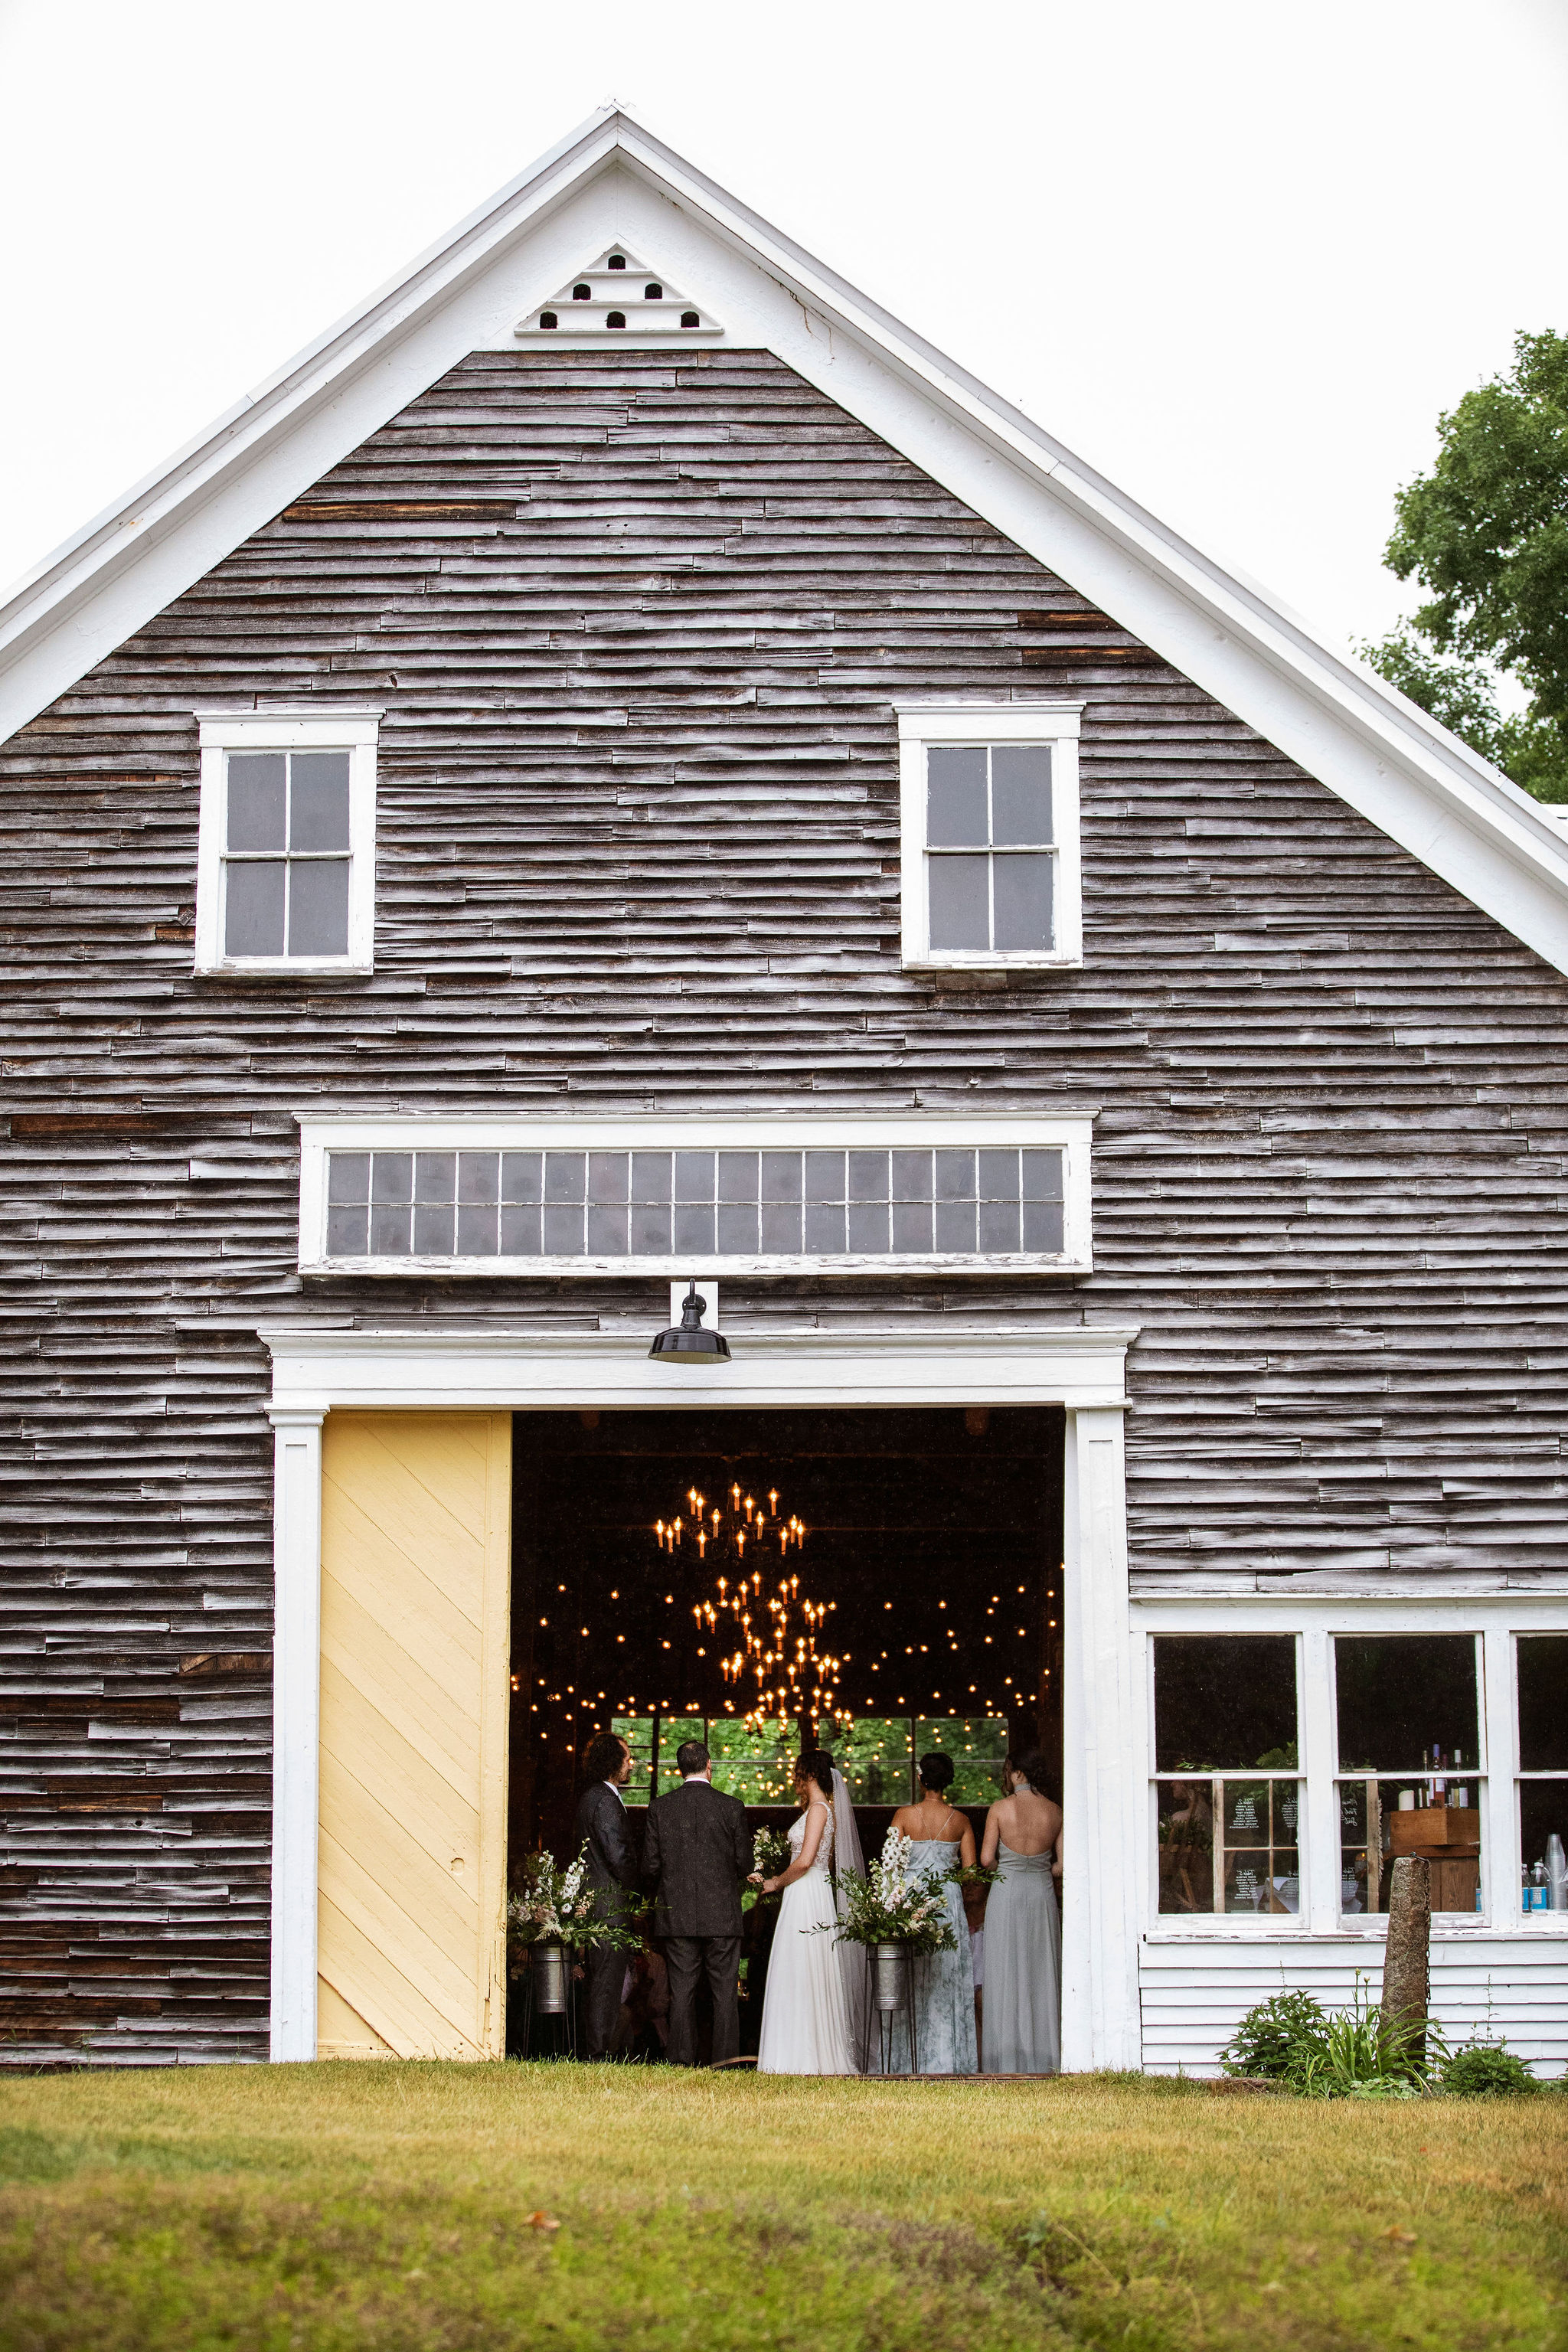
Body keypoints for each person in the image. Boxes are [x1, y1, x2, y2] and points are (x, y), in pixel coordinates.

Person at [642, 1738, 752, 2067]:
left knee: (682, 1993)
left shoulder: (660, 1808)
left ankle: (680, 2063)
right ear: (709, 1766)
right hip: (722, 1916)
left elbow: (650, 1866)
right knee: (724, 1997)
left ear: (680, 1770)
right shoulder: (731, 1807)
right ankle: (727, 2063)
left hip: (676, 1916)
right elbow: (745, 1865)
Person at [754, 1749, 858, 2074]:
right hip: (812, 1891)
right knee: (801, 1969)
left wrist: (775, 1882)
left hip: (806, 1893)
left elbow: (805, 1861)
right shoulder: (823, 1810)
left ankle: (800, 2056)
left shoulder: (818, 1810)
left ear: (810, 1774)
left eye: (797, 1772)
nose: (793, 1778)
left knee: (801, 1969)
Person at [888, 1751, 978, 2073]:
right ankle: (946, 2061)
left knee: (912, 1977)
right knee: (946, 1978)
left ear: (920, 1778)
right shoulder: (961, 1821)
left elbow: (892, 1866)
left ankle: (907, 2061)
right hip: (947, 1903)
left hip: (911, 1902)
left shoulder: (903, 1815)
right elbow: (970, 1873)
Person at [979, 1749, 1062, 2075]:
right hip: (1040, 1893)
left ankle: (1005, 2061)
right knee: (1040, 1969)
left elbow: (986, 1859)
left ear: (1017, 1774)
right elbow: (1062, 1867)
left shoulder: (1000, 1809)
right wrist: (1038, 1867)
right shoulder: (1055, 1811)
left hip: (1007, 1891)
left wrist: (1010, 1866)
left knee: (1004, 1968)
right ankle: (1043, 2059)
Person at [572, 1730, 640, 2060]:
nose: (632, 1763)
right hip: (609, 1906)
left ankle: (599, 2051)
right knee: (606, 1986)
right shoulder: (605, 1800)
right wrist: (638, 1893)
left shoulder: (595, 1797)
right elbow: (618, 1856)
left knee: (604, 1984)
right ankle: (598, 2055)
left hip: (599, 1904)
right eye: (627, 1757)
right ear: (612, 1761)